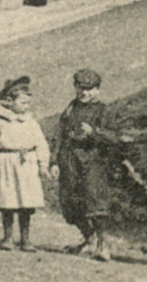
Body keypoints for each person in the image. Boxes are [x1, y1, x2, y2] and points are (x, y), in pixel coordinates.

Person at [52, 68, 121, 261]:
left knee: (96, 203)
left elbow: (114, 137)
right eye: (81, 88)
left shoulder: (103, 110)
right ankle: (88, 239)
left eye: (90, 89)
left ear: (98, 90)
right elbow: (59, 137)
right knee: (71, 203)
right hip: (70, 162)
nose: (85, 93)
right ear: (75, 87)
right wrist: (54, 161)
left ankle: (102, 244)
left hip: (93, 162)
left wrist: (95, 133)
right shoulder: (70, 109)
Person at [0, 77, 54, 252]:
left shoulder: (30, 121)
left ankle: (25, 239)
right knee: (8, 202)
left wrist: (43, 164)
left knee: (26, 203)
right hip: (7, 163)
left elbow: (41, 143)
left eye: (28, 103)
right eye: (22, 102)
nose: (26, 106)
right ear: (9, 101)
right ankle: (7, 238)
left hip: (27, 164)